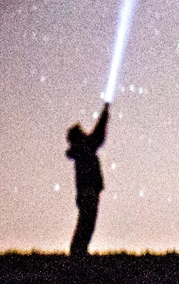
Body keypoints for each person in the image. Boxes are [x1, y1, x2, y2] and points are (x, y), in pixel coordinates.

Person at [65, 103, 109, 256]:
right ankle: (78, 251)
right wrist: (104, 114)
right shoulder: (84, 147)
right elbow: (98, 136)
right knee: (87, 222)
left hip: (86, 190)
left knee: (86, 221)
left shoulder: (82, 149)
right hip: (88, 190)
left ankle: (79, 250)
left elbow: (97, 137)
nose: (85, 132)